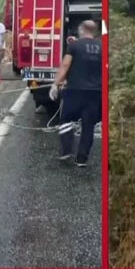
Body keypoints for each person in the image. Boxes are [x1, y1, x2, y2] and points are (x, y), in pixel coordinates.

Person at [52, 20, 102, 167]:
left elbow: (65, 65)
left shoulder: (74, 45)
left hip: (75, 90)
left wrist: (55, 84)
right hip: (96, 92)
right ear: (95, 31)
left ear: (81, 30)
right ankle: (82, 159)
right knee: (88, 125)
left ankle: (67, 150)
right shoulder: (103, 47)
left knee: (66, 119)